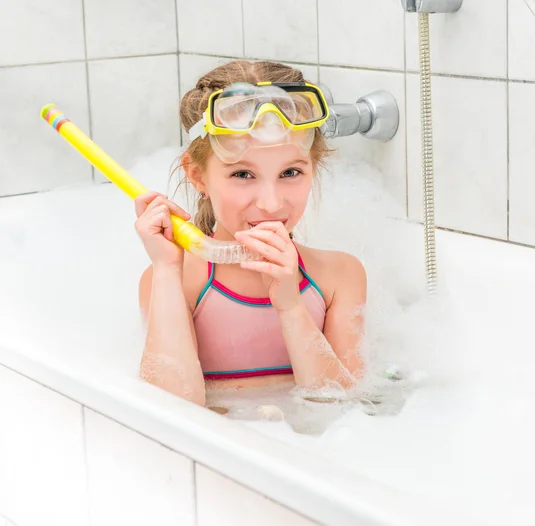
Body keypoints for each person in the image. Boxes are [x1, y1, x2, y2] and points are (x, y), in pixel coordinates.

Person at [135, 60, 366, 407]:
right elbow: (170, 414)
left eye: (290, 172)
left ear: (313, 169)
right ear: (198, 176)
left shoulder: (339, 276)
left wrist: (290, 306)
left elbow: (343, 409)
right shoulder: (174, 279)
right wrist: (167, 270)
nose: (271, 204)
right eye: (243, 175)